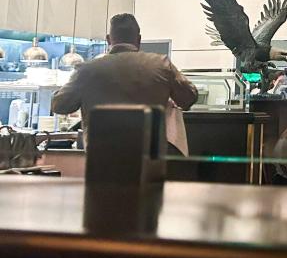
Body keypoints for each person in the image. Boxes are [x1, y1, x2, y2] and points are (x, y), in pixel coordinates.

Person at [51, 13, 197, 153]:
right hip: (149, 159)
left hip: (102, 158)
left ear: (108, 40)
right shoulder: (161, 64)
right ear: (138, 39)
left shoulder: (87, 71)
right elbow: (189, 98)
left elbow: (59, 105)